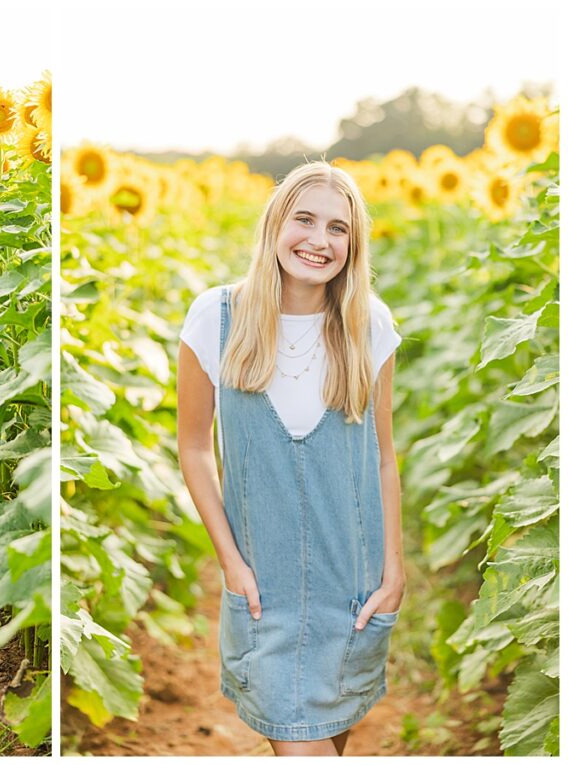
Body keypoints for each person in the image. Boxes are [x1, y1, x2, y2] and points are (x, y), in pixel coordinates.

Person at [177, 161, 405, 755]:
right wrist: (230, 562)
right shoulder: (217, 318)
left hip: (352, 590)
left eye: (338, 228)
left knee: (332, 738)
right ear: (276, 224)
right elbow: (195, 446)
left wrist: (395, 572)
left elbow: (382, 456)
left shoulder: (368, 326)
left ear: (353, 245)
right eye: (304, 220)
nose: (319, 240)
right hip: (263, 588)